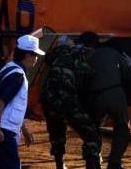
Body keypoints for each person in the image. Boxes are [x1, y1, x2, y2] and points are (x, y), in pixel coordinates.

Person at [41, 34, 102, 169]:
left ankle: (59, 164)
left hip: (48, 98)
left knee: (56, 131)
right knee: (91, 134)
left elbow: (48, 59)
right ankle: (93, 166)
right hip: (66, 100)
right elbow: (87, 76)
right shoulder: (85, 54)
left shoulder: (62, 50)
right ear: (92, 47)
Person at [0, 35, 42, 169]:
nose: (36, 58)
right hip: (3, 131)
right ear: (28, 55)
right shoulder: (17, 75)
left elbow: (12, 104)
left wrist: (24, 129)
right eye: (35, 55)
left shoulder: (9, 67)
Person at [84, 32, 131, 169]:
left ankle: (92, 163)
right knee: (122, 128)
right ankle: (115, 163)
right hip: (115, 92)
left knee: (92, 130)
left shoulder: (86, 56)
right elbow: (127, 72)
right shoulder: (113, 52)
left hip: (96, 96)